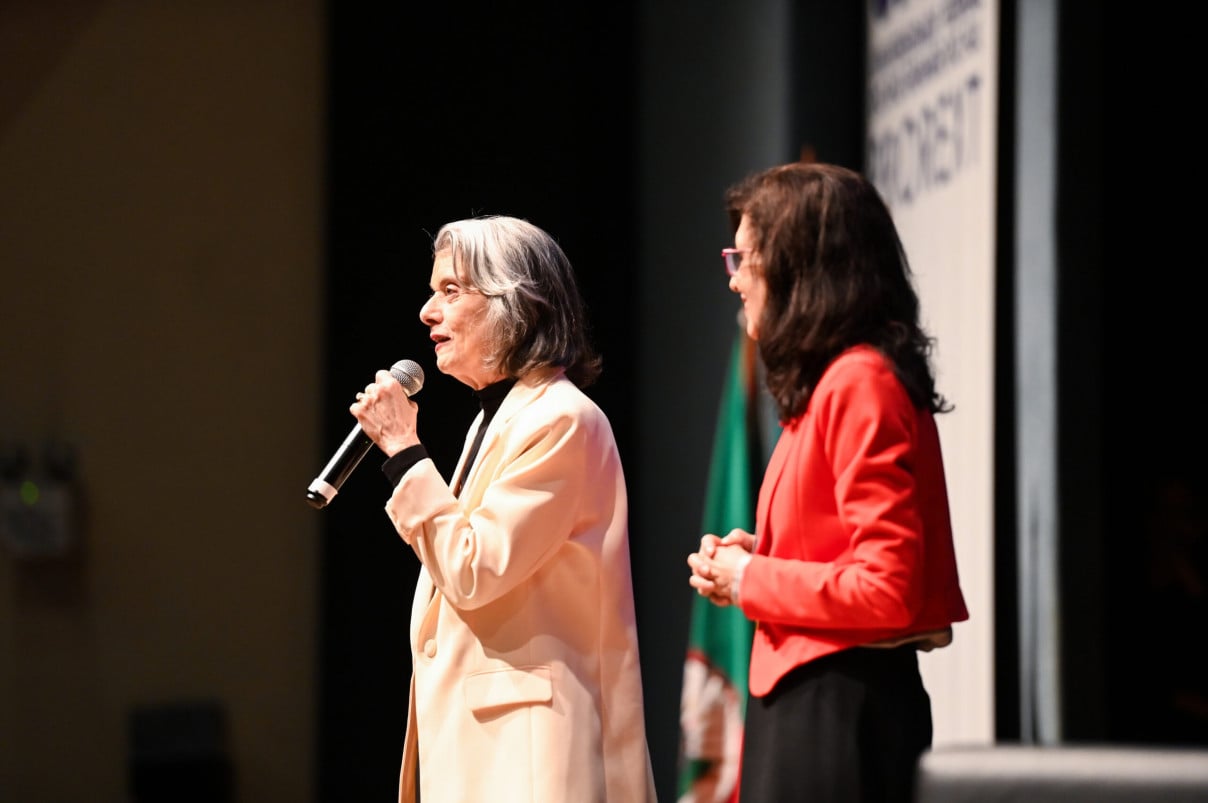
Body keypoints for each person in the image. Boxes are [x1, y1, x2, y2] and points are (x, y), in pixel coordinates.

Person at [686, 162, 969, 802]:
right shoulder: (830, 385)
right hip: (812, 697)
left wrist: (749, 578)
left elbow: (887, 589)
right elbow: (841, 551)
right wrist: (756, 557)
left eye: (746, 258)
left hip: (839, 710)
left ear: (800, 268)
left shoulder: (859, 380)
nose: (735, 279)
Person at [350, 215, 657, 803]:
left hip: (533, 759)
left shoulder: (562, 419)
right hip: (486, 751)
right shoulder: (494, 420)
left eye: (451, 290)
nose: (427, 312)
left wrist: (405, 452)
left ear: (513, 304)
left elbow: (475, 568)